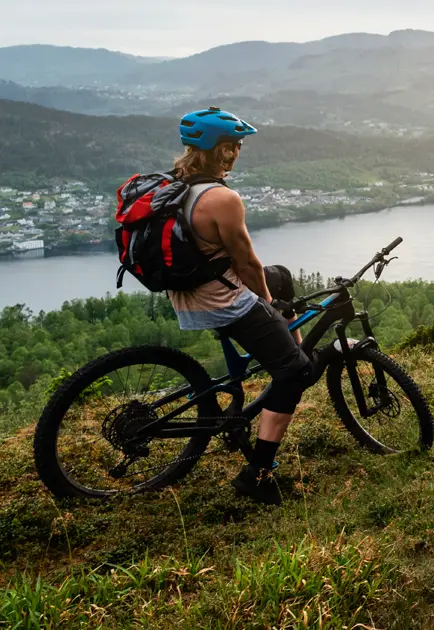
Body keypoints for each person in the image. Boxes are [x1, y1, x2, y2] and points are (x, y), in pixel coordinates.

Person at [167, 107, 314, 505]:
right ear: (214, 149)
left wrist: (271, 291)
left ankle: (287, 347)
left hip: (190, 290)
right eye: (230, 146)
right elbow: (246, 263)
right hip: (219, 301)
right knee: (297, 372)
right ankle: (259, 472)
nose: (235, 153)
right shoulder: (222, 198)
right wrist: (267, 304)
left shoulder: (174, 184)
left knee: (279, 274)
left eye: (237, 146)